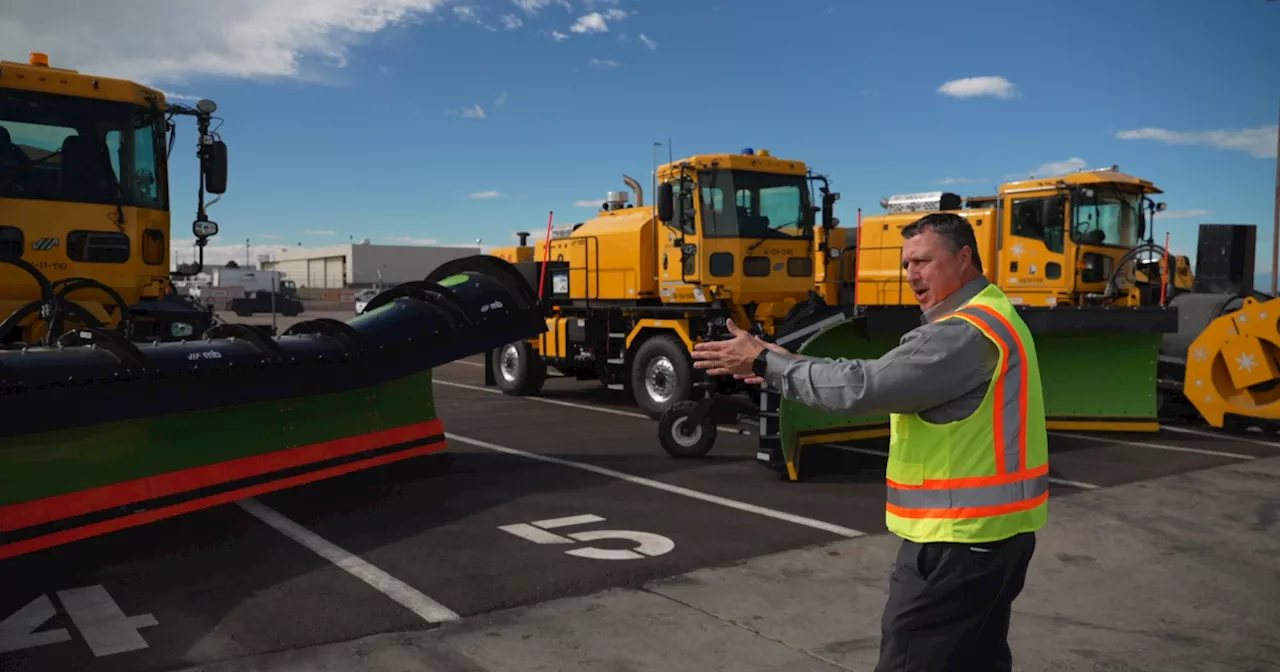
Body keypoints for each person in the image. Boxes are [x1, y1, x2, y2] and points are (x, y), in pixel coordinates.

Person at [691, 212, 1048, 671]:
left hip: (956, 541)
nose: (912, 275)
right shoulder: (992, 314)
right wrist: (784, 357)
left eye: (922, 261)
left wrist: (767, 365)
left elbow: (865, 387)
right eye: (906, 264)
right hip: (994, 538)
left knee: (911, 658)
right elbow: (879, 375)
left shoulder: (963, 332)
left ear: (964, 258)